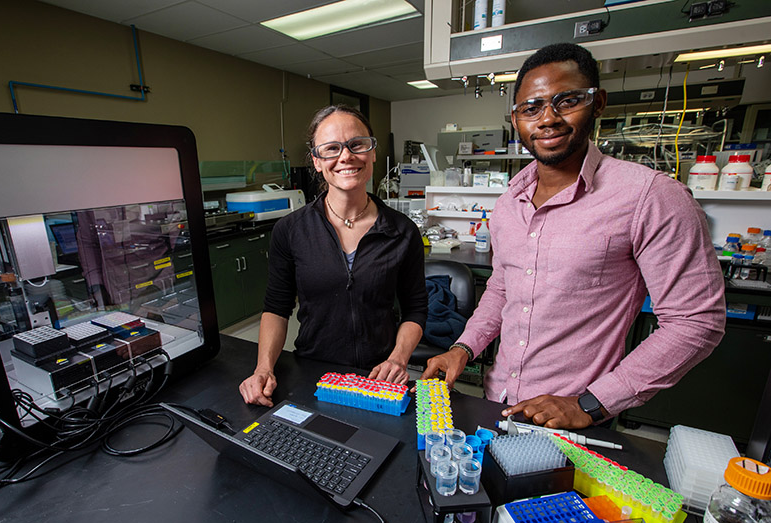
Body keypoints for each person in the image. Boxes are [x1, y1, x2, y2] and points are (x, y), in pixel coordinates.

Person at [420, 43, 726, 429]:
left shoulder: (650, 196)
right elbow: (502, 288)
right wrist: (464, 348)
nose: (547, 119)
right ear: (516, 119)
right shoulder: (509, 202)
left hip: (576, 418)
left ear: (597, 103)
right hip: (498, 401)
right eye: (532, 108)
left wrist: (591, 403)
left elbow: (696, 321)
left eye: (566, 101)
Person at [239, 105, 428, 407]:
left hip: (378, 377)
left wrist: (398, 358)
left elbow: (415, 309)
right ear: (316, 161)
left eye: (357, 144)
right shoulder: (290, 230)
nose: (346, 157)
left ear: (373, 151)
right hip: (312, 374)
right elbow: (276, 308)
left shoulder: (402, 231)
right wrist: (264, 368)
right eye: (331, 149)